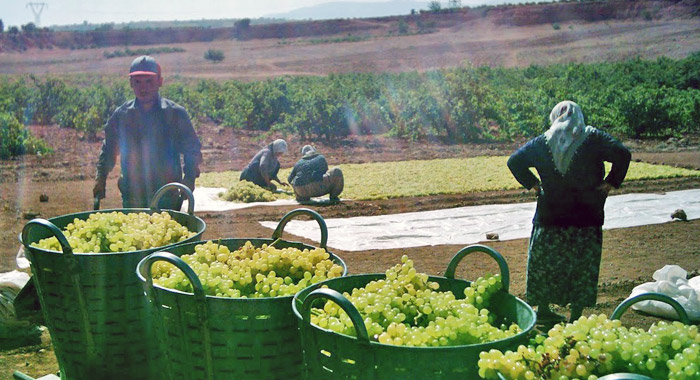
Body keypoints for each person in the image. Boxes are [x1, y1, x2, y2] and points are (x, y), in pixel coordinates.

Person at [507, 100, 631, 324]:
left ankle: (543, 309)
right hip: (586, 216)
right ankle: (575, 315)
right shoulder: (593, 138)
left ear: (555, 117)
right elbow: (623, 153)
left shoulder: (542, 142)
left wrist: (534, 184)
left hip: (550, 216)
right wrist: (610, 182)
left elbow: (514, 161)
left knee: (546, 263)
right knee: (581, 264)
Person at [93, 55, 202, 210]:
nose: (143, 88)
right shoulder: (122, 115)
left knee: (165, 231)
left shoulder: (175, 114)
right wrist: (100, 178)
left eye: (149, 81)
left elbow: (192, 149)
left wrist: (189, 178)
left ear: (160, 82)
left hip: (167, 193)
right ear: (131, 83)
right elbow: (109, 149)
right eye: (137, 82)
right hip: (133, 194)